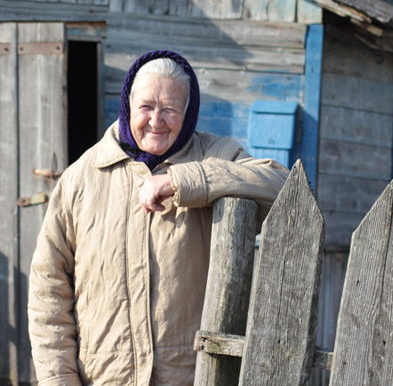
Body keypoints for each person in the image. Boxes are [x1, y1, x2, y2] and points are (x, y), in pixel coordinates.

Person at [28, 50, 289, 385]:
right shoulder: (82, 177)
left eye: (169, 109)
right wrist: (58, 380)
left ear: (188, 113)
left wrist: (183, 181)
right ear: (127, 106)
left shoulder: (215, 155)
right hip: (103, 377)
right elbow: (48, 288)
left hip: (191, 376)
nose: (156, 120)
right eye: (146, 107)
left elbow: (284, 187)